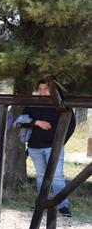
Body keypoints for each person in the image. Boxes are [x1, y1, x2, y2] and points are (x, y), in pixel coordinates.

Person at [18, 79, 76, 217]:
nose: (43, 91)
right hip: (34, 147)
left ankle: (63, 206)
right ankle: (41, 203)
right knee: (41, 176)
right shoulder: (33, 104)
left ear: (53, 90)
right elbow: (21, 120)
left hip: (53, 147)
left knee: (57, 177)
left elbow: (71, 125)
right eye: (41, 89)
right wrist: (36, 122)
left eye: (46, 89)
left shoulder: (62, 104)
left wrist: (60, 142)